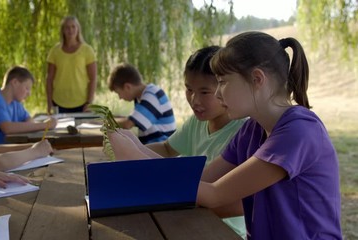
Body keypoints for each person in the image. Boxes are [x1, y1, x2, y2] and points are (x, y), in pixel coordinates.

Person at [194, 31, 342, 239]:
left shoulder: (299, 131)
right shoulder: (250, 131)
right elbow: (201, 180)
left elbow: (214, 194)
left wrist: (148, 175)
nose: (218, 93)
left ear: (257, 78)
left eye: (223, 81)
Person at [107, 47, 246, 238]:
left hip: (222, 227)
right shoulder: (197, 122)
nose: (194, 100)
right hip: (190, 209)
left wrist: (136, 153)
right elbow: (167, 148)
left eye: (205, 92)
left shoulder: (244, 132)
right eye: (189, 90)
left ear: (225, 88)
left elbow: (213, 192)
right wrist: (134, 148)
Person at [0, 66, 57, 145]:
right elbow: (8, 128)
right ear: (15, 82)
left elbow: (29, 120)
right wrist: (46, 126)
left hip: (4, 154)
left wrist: (20, 126)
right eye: (27, 88)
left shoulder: (15, 103)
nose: (29, 94)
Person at [108, 63, 176, 144]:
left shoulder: (152, 95)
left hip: (164, 151)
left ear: (127, 87)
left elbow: (128, 124)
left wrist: (105, 123)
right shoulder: (141, 97)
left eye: (119, 93)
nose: (120, 98)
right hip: (155, 148)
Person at [46, 16, 97, 114]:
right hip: (58, 102)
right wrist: (49, 103)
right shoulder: (55, 51)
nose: (71, 30)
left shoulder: (87, 50)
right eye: (67, 27)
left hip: (82, 103)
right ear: (63, 30)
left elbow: (93, 78)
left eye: (73, 27)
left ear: (78, 29)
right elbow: (49, 79)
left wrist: (89, 102)